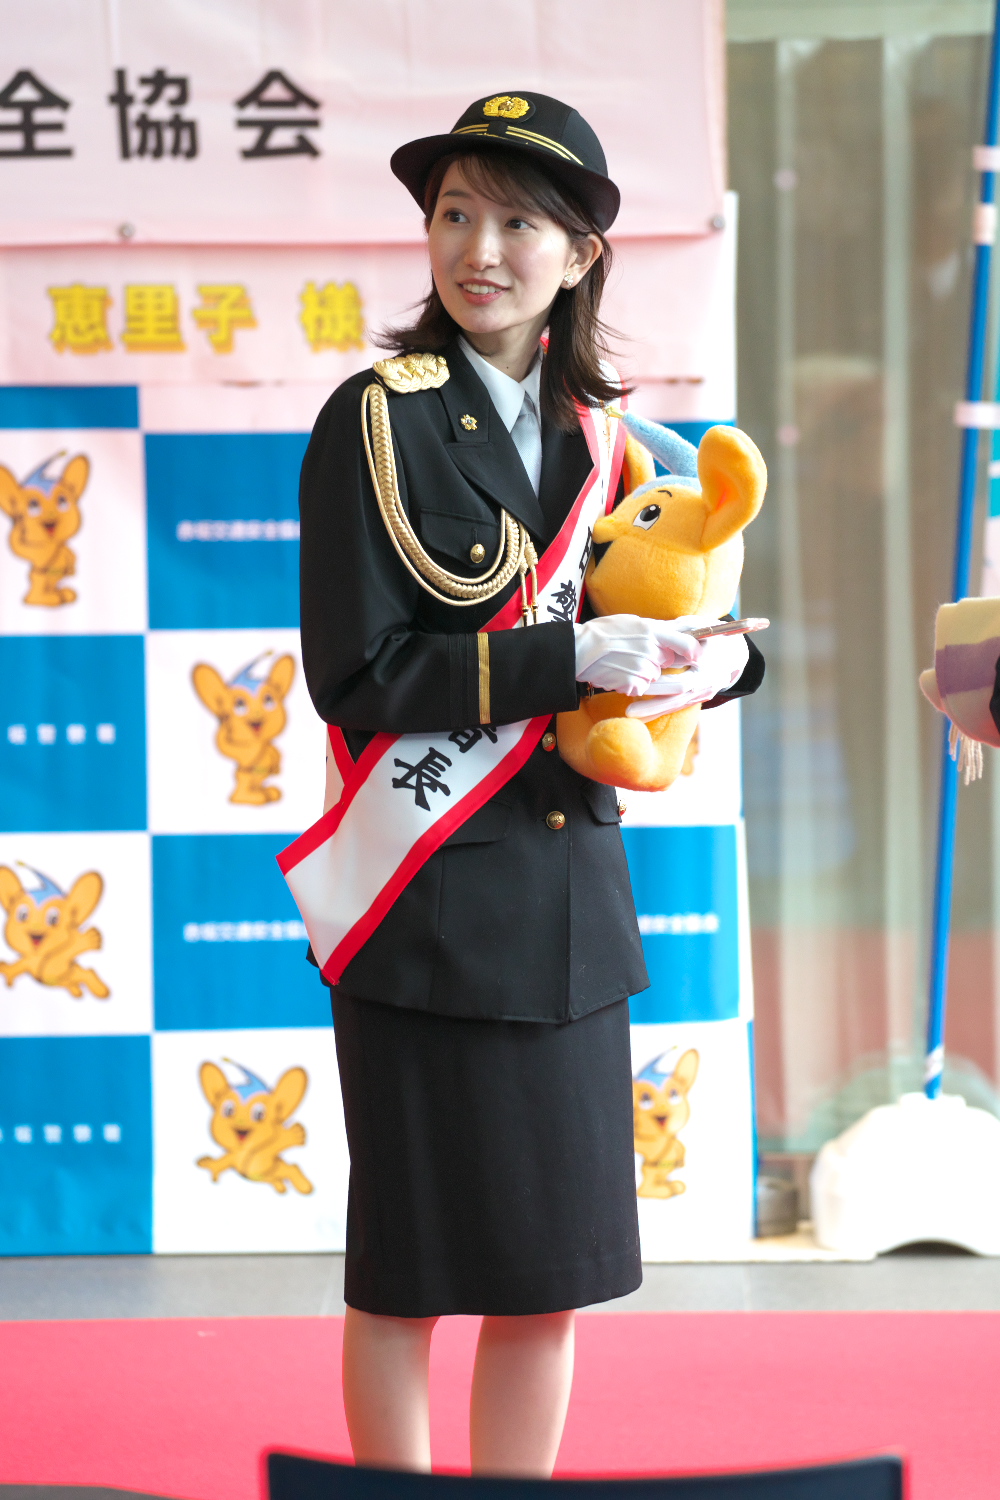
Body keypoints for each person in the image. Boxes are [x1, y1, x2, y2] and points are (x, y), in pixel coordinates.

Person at [296, 91, 764, 1478]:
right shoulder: (374, 421)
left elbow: (695, 606)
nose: (479, 249)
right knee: (407, 1274)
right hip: (426, 907)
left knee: (546, 1278)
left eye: (516, 222)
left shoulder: (614, 442)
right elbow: (358, 677)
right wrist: (567, 657)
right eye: (455, 215)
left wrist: (717, 666)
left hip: (565, 911)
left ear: (579, 256)